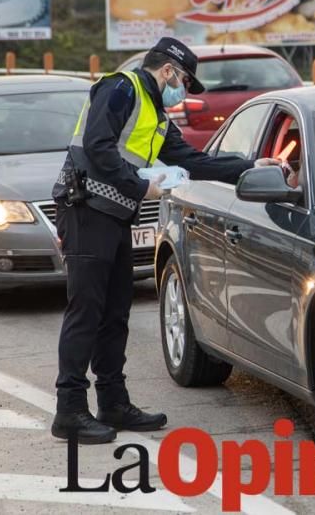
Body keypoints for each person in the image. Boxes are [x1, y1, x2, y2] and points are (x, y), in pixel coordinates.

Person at [50, 37, 281, 444]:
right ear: (170, 71)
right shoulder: (121, 88)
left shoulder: (155, 113)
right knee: (86, 311)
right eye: (185, 83)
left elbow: (193, 160)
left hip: (114, 215)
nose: (182, 94)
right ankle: (69, 410)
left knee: (115, 311)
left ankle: (113, 402)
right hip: (85, 210)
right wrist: (142, 188)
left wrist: (249, 167)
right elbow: (97, 148)